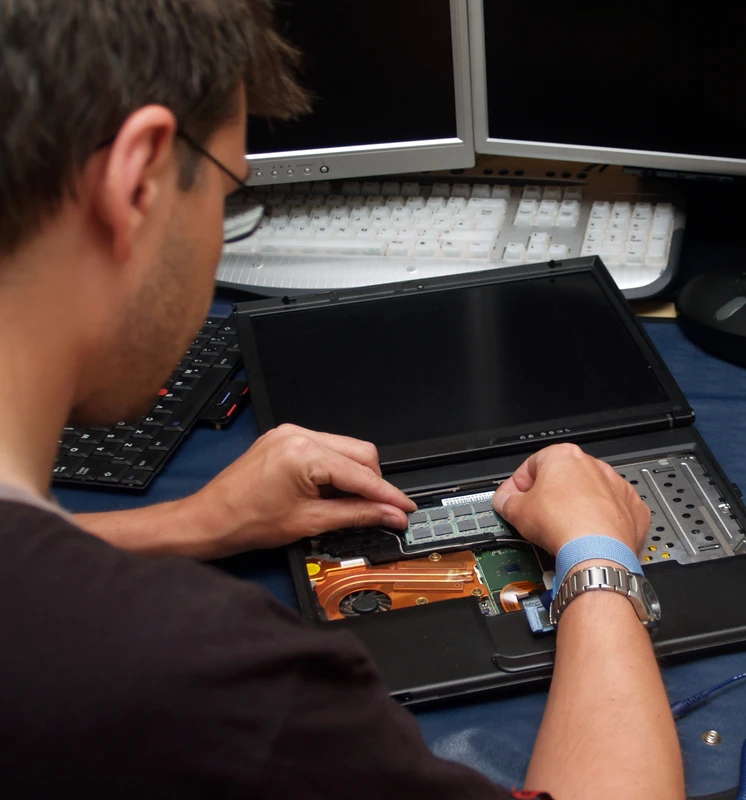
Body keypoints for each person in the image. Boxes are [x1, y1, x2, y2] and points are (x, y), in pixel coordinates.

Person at [0, 2, 685, 798]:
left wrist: (189, 524)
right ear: (138, 181)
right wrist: (599, 561)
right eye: (227, 192)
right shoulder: (197, 679)